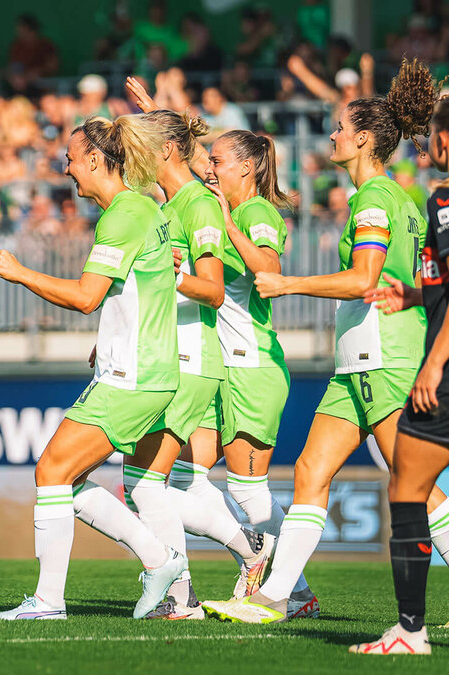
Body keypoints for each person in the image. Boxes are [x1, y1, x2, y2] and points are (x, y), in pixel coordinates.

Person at [209, 59, 449, 625]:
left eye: (341, 128)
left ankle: (276, 596)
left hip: (386, 361)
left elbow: (366, 280)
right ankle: (274, 599)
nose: (333, 134)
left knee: (415, 488)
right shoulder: (397, 200)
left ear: (364, 139)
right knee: (310, 473)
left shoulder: (374, 199)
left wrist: (288, 283)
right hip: (357, 365)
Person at [0, 114, 187, 621]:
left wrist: (18, 272)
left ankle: (52, 600)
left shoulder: (124, 213)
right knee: (67, 478)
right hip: (147, 372)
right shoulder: (147, 208)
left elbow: (85, 297)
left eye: (71, 160)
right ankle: (159, 560)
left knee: (52, 471)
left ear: (96, 160)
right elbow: (145, 290)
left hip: (134, 376)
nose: (67, 170)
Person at [125, 77, 276, 606]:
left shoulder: (211, 207)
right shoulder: (175, 204)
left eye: (139, 148)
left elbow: (220, 287)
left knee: (152, 482)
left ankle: (186, 592)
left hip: (213, 357)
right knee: (180, 480)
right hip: (187, 353)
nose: (131, 159)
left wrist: (181, 272)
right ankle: (251, 553)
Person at [181, 129, 308, 617]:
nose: (208, 169)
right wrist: (159, 124)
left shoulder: (256, 213)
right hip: (223, 364)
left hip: (251, 363)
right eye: (208, 162)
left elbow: (268, 272)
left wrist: (231, 226)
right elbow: (189, 162)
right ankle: (285, 585)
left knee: (247, 490)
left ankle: (289, 588)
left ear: (246, 168)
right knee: (185, 479)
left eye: (217, 162)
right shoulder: (223, 200)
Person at [354, 92, 449, 657]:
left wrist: (434, 363)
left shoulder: (444, 203)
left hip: (442, 370)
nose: (429, 139)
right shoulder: (435, 201)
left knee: (409, 489)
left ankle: (411, 631)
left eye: (436, 129)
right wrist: (414, 295)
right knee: (409, 485)